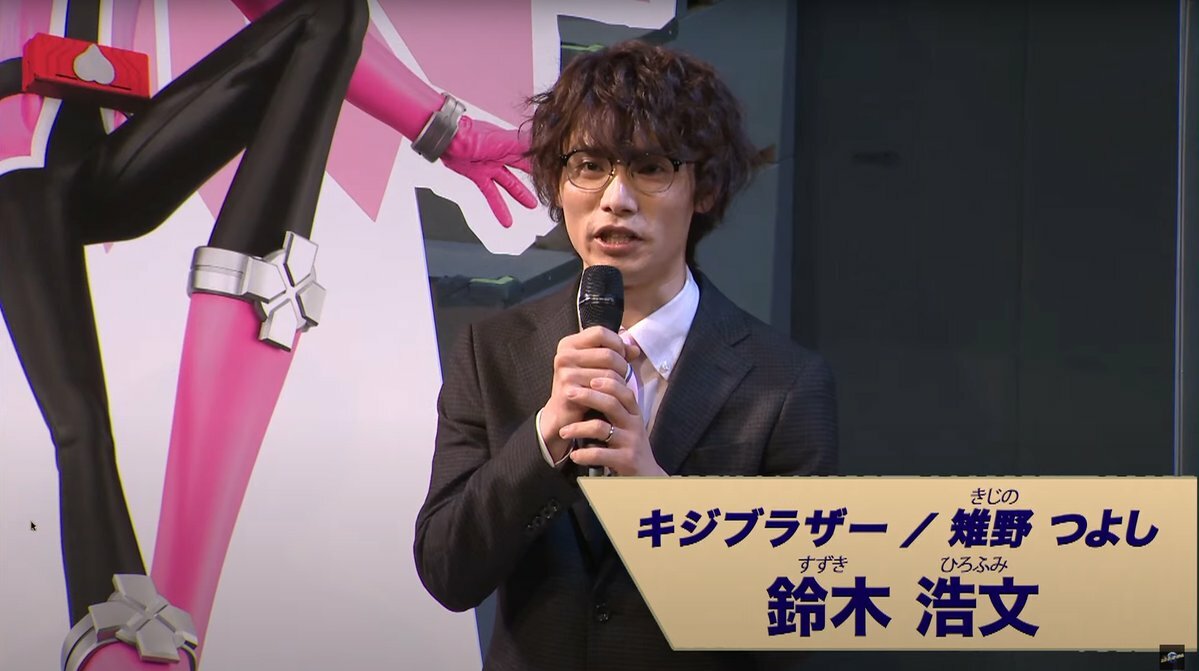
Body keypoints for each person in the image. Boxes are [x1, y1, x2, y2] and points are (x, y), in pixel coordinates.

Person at [414, 40, 838, 670]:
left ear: (704, 189)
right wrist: (543, 439)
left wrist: (656, 498)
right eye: (589, 165)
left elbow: (796, 625)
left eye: (650, 167)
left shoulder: (785, 383)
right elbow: (448, 572)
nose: (615, 198)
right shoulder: (494, 351)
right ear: (559, 184)